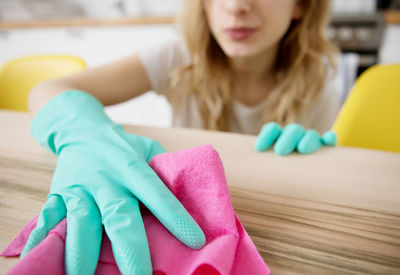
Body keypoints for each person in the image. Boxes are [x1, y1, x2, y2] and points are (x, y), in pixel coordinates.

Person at [22, 0, 340, 274]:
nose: (236, 7)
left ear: (301, 5)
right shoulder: (177, 57)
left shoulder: (317, 77)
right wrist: (85, 136)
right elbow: (46, 90)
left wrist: (311, 155)